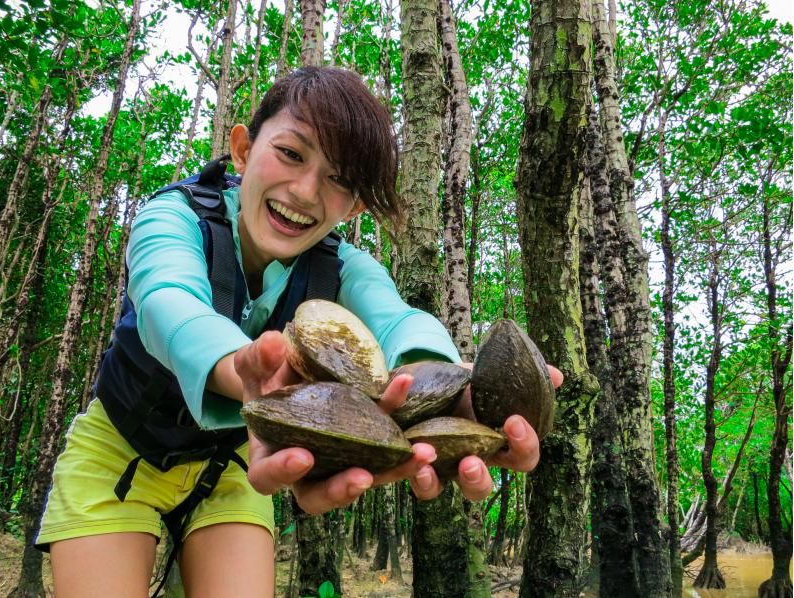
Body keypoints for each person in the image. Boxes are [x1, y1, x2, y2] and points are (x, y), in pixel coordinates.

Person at [35, 66, 563, 597]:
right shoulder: (172, 217)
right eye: (291, 153)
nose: (307, 191)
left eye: (340, 178)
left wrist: (447, 391)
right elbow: (168, 305)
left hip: (232, 467)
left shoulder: (343, 266)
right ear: (243, 150)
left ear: (354, 205)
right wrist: (241, 370)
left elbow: (397, 317)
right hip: (119, 449)